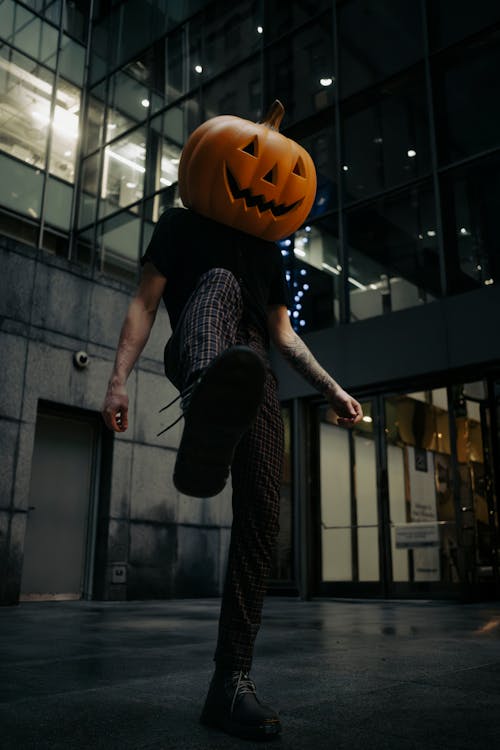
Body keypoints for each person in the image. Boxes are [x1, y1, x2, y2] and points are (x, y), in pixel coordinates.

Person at [102, 105, 362, 743]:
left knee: (260, 523)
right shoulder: (181, 225)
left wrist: (332, 389)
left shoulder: (269, 252)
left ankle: (231, 682)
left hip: (256, 380)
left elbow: (282, 334)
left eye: (285, 176)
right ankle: (207, 398)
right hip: (197, 347)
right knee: (217, 287)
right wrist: (117, 380)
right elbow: (144, 302)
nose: (267, 180)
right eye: (254, 165)